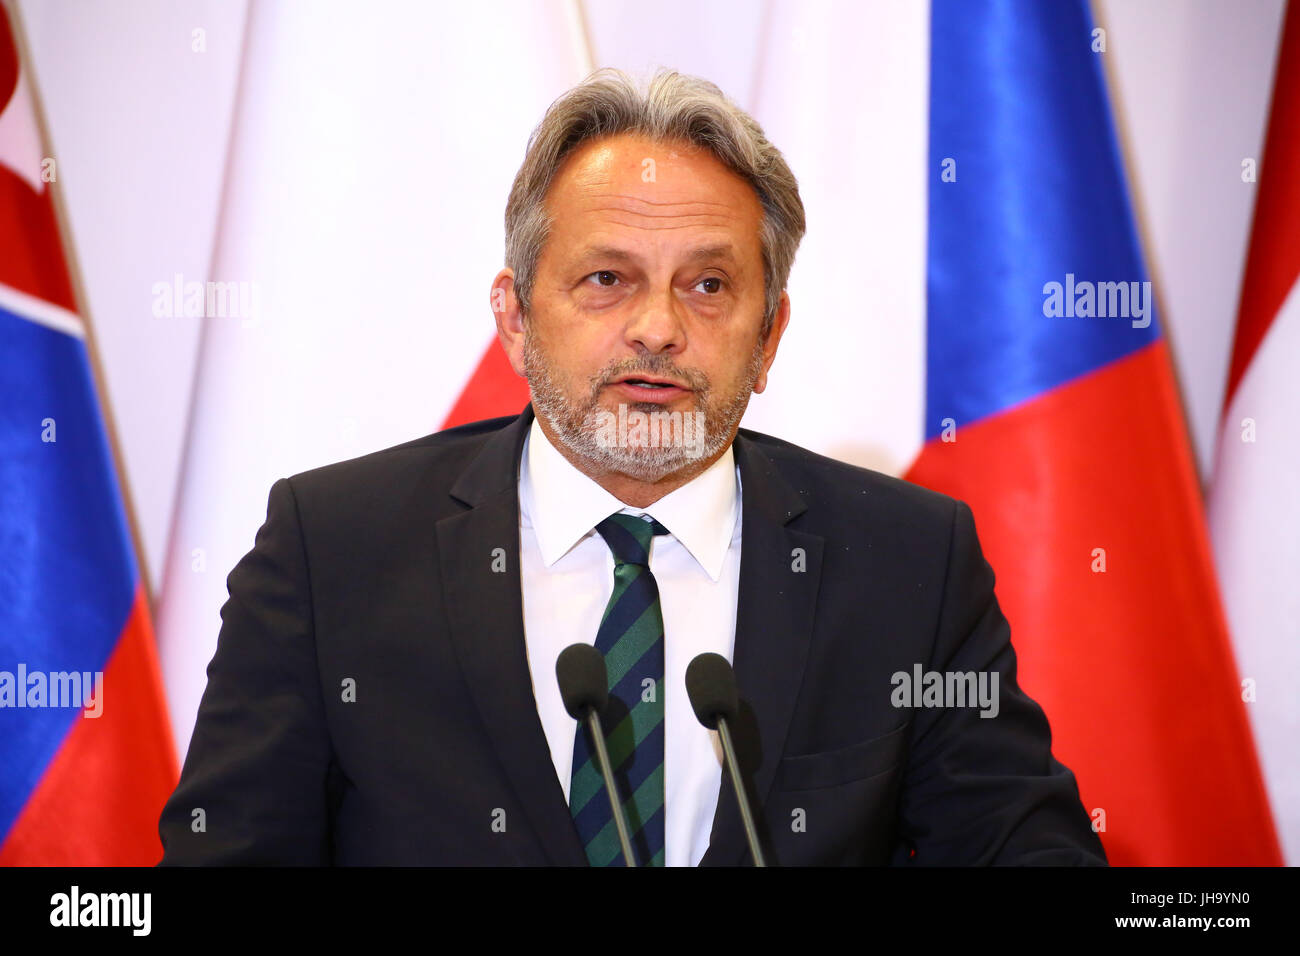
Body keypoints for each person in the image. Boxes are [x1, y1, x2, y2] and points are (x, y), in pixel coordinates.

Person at [158, 68, 1106, 866]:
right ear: (516, 320)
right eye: (607, 279)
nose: (658, 328)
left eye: (708, 284)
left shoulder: (907, 564)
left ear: (768, 334)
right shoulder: (335, 554)